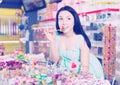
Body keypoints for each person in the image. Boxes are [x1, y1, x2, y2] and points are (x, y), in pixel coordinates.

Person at [44, 6, 104, 79]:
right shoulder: (56, 36)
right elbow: (54, 61)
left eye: (68, 18)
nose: (64, 23)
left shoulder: (81, 39)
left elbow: (85, 68)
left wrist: (75, 80)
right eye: (61, 19)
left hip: (81, 72)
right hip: (64, 73)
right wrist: (52, 42)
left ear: (74, 21)